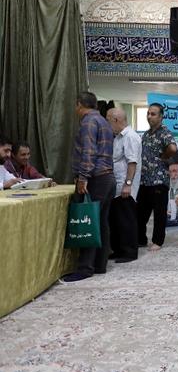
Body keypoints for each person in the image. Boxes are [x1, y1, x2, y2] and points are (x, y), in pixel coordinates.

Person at [62, 91, 116, 283]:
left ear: (79, 104)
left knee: (88, 222)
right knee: (101, 222)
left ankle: (85, 268)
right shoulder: (104, 121)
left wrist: (83, 177)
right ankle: (100, 264)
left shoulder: (88, 122)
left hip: (96, 179)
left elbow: (89, 151)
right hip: (108, 177)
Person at [137, 103, 178, 252]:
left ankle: (158, 241)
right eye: (148, 113)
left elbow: (173, 148)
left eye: (153, 114)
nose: (149, 116)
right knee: (140, 213)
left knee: (159, 213)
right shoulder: (147, 134)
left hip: (159, 180)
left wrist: (164, 156)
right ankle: (140, 239)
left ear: (161, 117)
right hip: (144, 180)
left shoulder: (164, 132)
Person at [105, 108, 140, 263]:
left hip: (125, 187)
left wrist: (128, 184)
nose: (107, 124)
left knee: (126, 221)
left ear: (116, 120)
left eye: (108, 120)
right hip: (117, 186)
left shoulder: (130, 136)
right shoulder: (118, 137)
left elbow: (132, 162)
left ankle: (129, 252)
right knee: (117, 221)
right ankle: (119, 250)